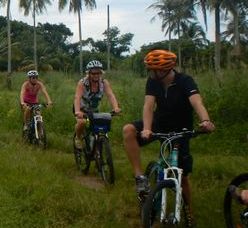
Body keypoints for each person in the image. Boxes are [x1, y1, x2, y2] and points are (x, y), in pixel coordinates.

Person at [122, 49, 215, 202]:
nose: (150, 72)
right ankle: (140, 177)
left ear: (164, 70)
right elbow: (148, 105)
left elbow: (196, 102)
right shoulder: (153, 82)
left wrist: (205, 120)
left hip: (181, 129)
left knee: (182, 176)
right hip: (160, 123)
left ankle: (189, 216)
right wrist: (147, 128)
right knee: (128, 130)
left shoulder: (185, 81)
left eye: (153, 69)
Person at [73, 60, 121, 149]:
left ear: (101, 73)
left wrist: (116, 107)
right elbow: (77, 97)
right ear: (89, 73)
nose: (96, 75)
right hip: (81, 109)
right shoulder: (82, 83)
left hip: (93, 110)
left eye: (98, 73)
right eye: (93, 73)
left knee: (98, 127)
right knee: (82, 122)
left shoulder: (104, 83)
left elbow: (110, 95)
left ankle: (96, 148)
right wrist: (77, 111)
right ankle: (78, 137)